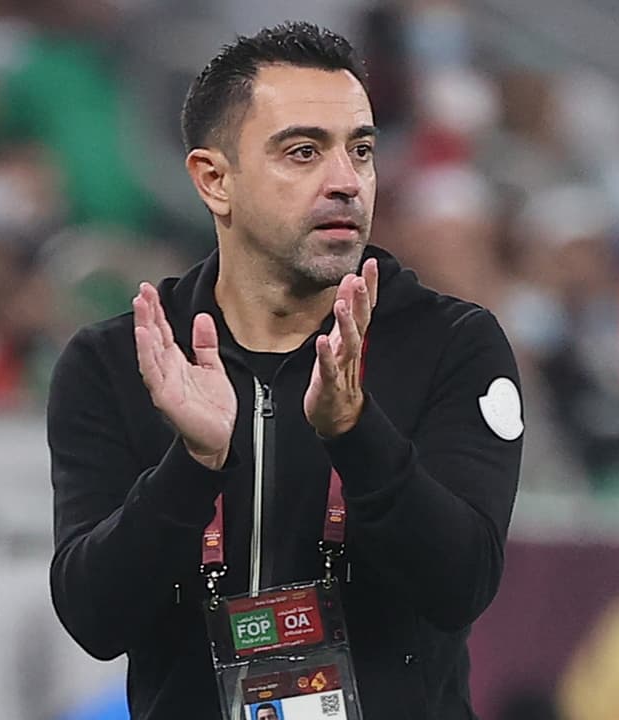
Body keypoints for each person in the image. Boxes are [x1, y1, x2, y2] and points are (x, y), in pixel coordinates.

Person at [48, 22, 523, 719]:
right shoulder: (122, 360)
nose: (346, 182)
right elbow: (95, 619)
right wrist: (192, 467)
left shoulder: (452, 344)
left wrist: (356, 432)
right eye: (303, 152)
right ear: (215, 180)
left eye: (361, 151)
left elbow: (461, 586)